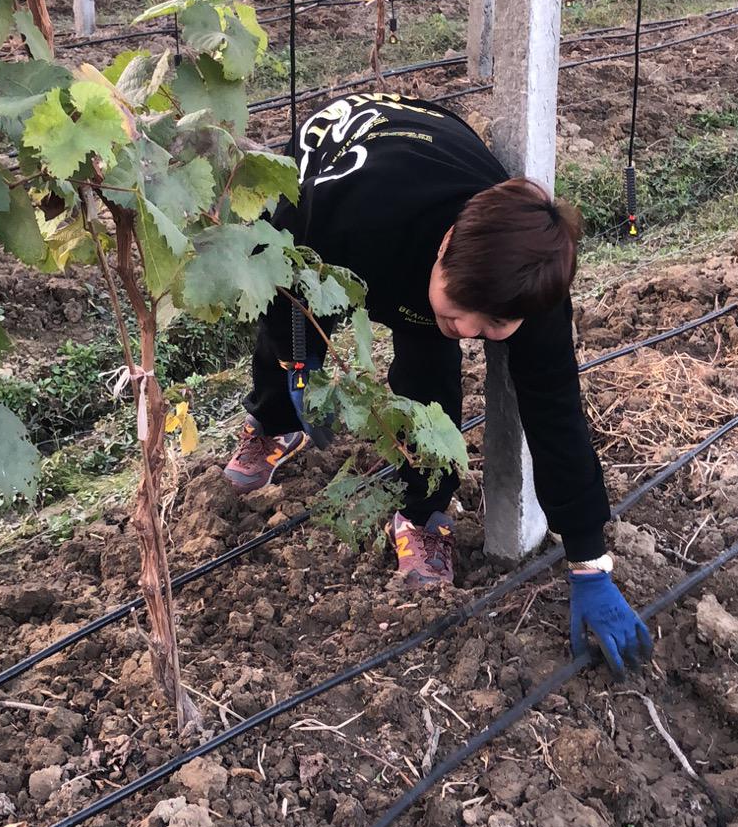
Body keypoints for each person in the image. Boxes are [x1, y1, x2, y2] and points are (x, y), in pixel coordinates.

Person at [224, 92, 652, 679]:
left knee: (428, 358)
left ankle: (421, 513)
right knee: (288, 342)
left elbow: (556, 415)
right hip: (337, 164)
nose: (473, 331)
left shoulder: (530, 290)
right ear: (447, 248)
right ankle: (272, 425)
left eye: (494, 325)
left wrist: (588, 562)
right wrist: (299, 363)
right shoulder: (351, 217)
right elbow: (278, 274)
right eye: (465, 309)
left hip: (429, 191)